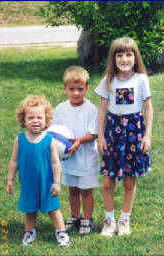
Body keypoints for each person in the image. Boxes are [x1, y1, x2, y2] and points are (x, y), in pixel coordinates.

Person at [94, 37, 153, 237]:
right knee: (108, 181)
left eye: (129, 54)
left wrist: (147, 135)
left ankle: (124, 220)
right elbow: (102, 110)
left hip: (134, 134)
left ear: (135, 58)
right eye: (120, 55)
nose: (124, 59)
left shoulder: (141, 80)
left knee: (129, 181)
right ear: (113, 58)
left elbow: (148, 108)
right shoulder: (107, 81)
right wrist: (100, 136)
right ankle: (109, 220)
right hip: (112, 135)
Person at [6, 95, 69, 247]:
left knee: (53, 209)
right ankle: (29, 232)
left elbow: (55, 163)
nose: (35, 121)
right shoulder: (19, 139)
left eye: (39, 117)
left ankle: (61, 233)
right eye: (31, 117)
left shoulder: (49, 140)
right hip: (28, 183)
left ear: (47, 120)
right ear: (24, 120)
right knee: (30, 209)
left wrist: (57, 182)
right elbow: (14, 161)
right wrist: (10, 180)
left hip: (47, 183)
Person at [52, 66, 99, 234]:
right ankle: (75, 216)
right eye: (72, 89)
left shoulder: (91, 109)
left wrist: (80, 140)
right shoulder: (60, 109)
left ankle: (87, 219)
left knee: (86, 190)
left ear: (87, 88)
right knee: (72, 189)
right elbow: (55, 131)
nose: (76, 93)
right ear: (65, 88)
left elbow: (93, 133)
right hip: (68, 158)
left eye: (80, 89)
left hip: (86, 157)